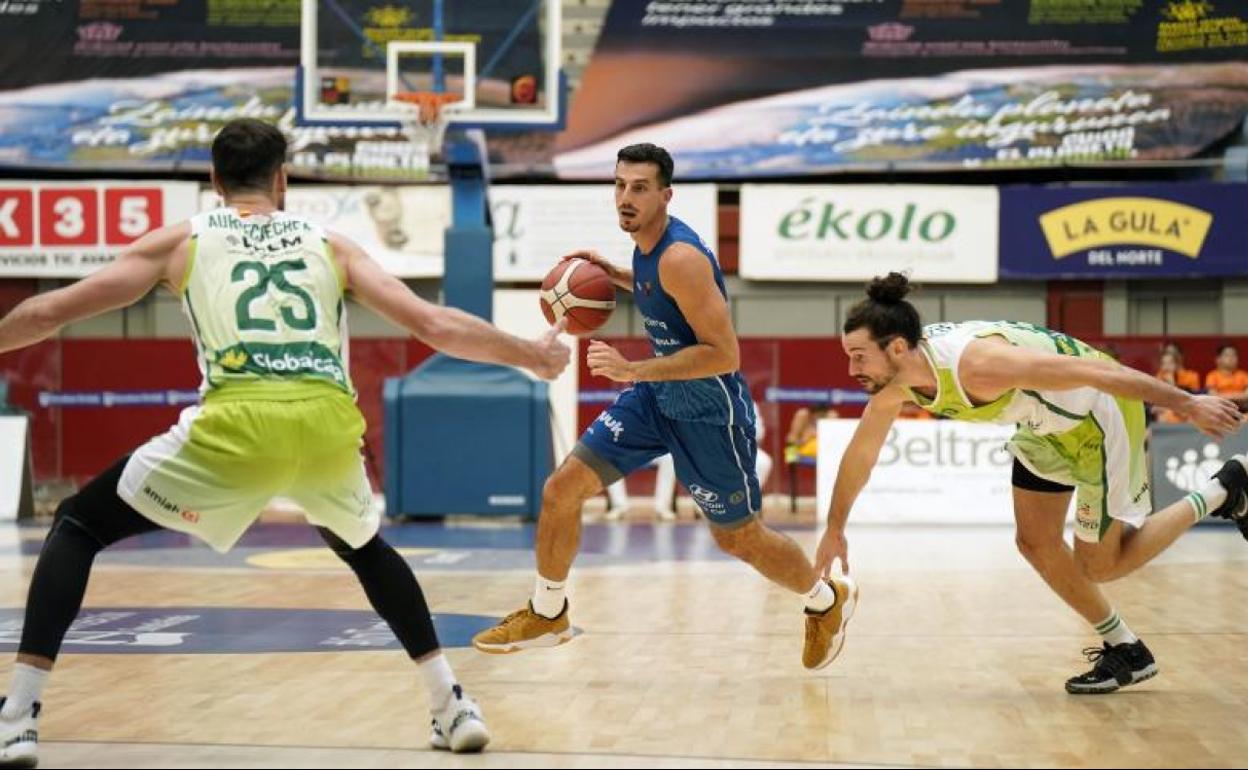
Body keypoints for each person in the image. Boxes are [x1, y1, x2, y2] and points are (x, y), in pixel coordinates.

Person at [0, 118, 571, 763]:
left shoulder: (177, 244)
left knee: (77, 526)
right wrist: (529, 353)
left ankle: (18, 715)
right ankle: (452, 703)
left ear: (213, 182)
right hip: (328, 428)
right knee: (364, 548)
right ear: (283, 180)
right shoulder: (332, 244)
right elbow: (434, 323)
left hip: (235, 427)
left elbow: (49, 312)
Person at [471, 143, 856, 669]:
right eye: (620, 185)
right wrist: (615, 275)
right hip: (656, 399)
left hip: (707, 413)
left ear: (665, 195)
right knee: (562, 489)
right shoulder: (644, 247)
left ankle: (825, 600)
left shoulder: (681, 257)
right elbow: (659, 293)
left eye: (640, 188)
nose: (625, 198)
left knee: (737, 538)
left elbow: (724, 355)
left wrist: (632, 370)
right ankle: (548, 610)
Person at [814, 272, 1246, 695]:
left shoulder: (981, 365)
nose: (851, 368)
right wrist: (834, 528)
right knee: (1035, 542)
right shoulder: (898, 382)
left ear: (898, 347)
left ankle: (1225, 488)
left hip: (1100, 419)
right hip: (1045, 427)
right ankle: (1128, 650)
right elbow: (861, 455)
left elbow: (1097, 372)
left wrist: (1188, 403)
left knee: (1100, 565)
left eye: (858, 355)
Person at [1205, 343, 1248, 410]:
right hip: (1220, 409)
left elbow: (1246, 396)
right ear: (1218, 359)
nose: (1231, 358)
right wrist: (1238, 396)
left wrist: (1223, 396)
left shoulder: (1244, 375)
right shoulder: (1212, 376)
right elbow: (1213, 396)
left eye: (1234, 355)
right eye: (1227, 355)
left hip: (1242, 409)